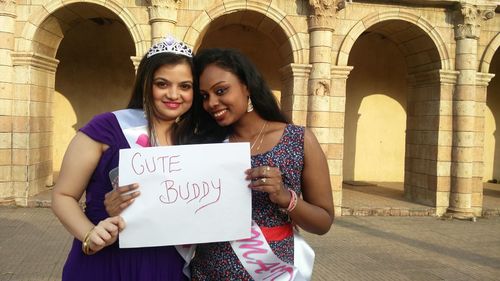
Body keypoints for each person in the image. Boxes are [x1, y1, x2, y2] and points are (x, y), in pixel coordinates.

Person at [51, 35, 197, 281]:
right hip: (107, 259)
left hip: (167, 264)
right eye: (162, 84)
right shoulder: (106, 127)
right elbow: (62, 195)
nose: (174, 94)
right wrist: (89, 234)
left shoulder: (195, 140)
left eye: (185, 86)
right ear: (146, 84)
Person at [188, 48, 335, 280]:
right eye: (205, 96)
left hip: (271, 272)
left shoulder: (298, 140)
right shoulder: (206, 146)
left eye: (221, 90)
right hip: (209, 272)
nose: (212, 103)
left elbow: (323, 221)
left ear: (247, 86)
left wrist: (286, 197)